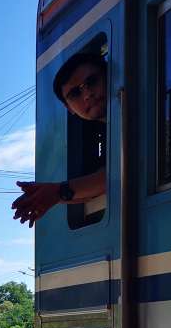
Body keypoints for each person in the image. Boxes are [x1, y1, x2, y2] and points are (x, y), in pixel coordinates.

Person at [12, 51, 108, 227]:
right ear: (68, 107)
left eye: (92, 81)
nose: (87, 95)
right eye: (75, 93)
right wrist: (51, 196)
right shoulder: (109, 136)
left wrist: (56, 193)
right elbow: (105, 182)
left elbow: (118, 175)